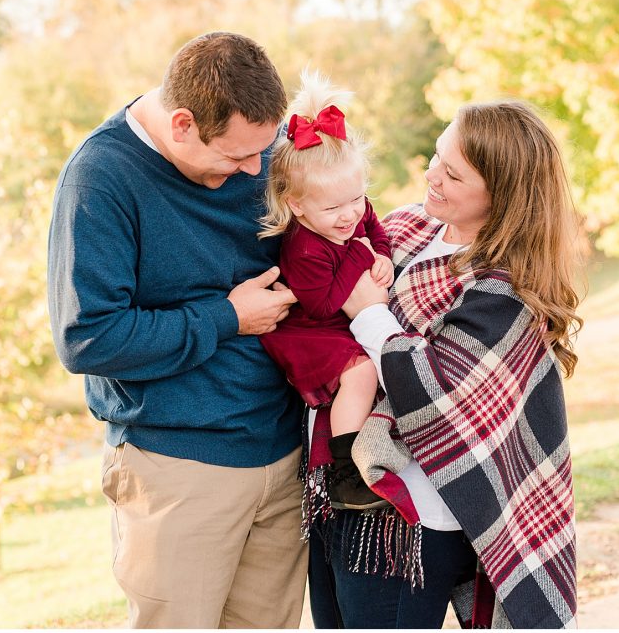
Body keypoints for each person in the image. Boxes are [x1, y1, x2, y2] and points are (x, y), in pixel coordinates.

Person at [47, 32, 308, 628]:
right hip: (178, 467)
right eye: (236, 158)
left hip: (284, 452)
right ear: (183, 123)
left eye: (261, 152)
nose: (255, 170)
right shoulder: (102, 178)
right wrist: (228, 317)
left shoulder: (258, 148)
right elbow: (87, 336)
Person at [306, 99, 582, 628]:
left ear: (503, 197)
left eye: (453, 173)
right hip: (337, 486)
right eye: (437, 155)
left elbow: (434, 391)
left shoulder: (506, 288)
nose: (432, 175)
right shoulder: (404, 230)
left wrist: (367, 311)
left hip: (410, 518)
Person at [257, 70, 393, 510]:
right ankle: (343, 472)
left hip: (336, 320)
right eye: (333, 207)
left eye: (356, 198)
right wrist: (361, 254)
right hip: (307, 330)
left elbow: (375, 227)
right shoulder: (304, 248)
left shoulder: (354, 207)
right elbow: (320, 304)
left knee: (379, 367)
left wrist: (383, 255)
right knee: (361, 373)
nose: (349, 215)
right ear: (297, 205)